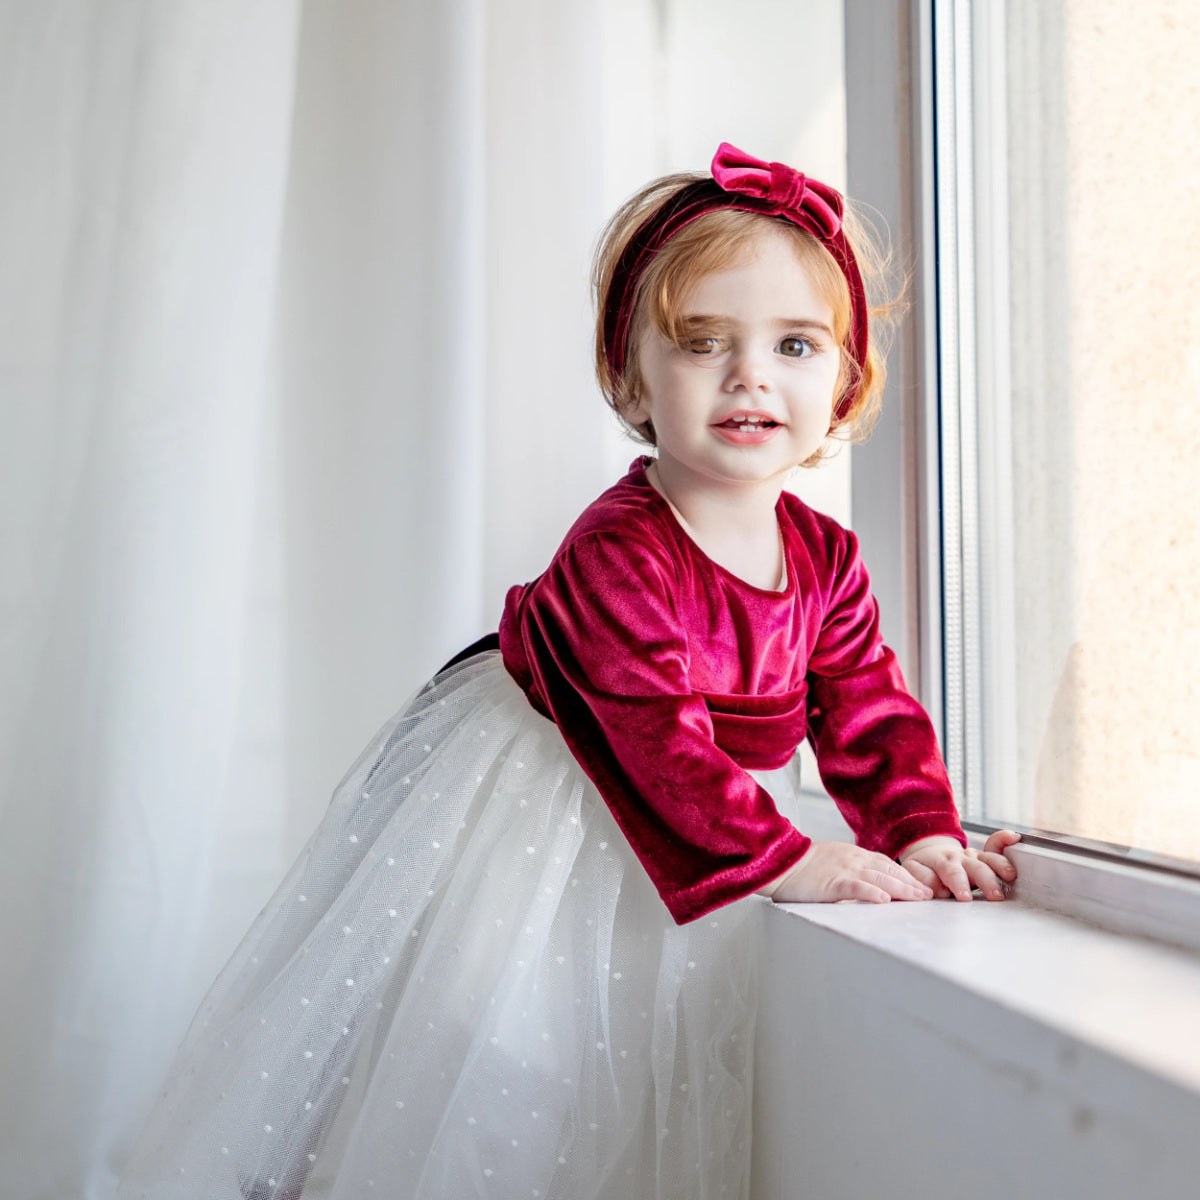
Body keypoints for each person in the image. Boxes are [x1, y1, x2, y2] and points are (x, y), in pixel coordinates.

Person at [119, 143, 1019, 1200]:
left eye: (795, 345)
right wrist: (800, 863)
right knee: (514, 1053)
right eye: (702, 343)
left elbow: (869, 708)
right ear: (630, 374)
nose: (750, 376)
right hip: (556, 805)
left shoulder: (825, 558)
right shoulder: (623, 545)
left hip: (697, 826)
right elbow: (652, 739)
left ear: (848, 380)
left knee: (648, 1070)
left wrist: (919, 830)